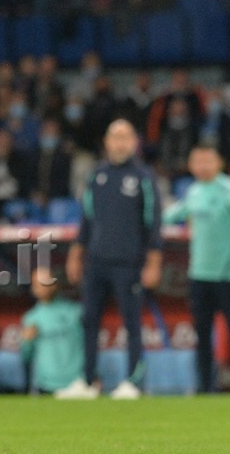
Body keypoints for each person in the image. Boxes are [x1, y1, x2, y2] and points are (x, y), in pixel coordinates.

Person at [65, 119, 163, 400]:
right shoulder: (97, 175)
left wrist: (153, 262)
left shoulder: (143, 177)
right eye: (115, 137)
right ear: (107, 142)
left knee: (131, 323)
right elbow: (87, 219)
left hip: (129, 263)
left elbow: (153, 223)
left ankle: (133, 381)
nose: (119, 143)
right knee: (88, 320)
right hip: (96, 261)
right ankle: (87, 381)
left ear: (134, 142)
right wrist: (76, 254)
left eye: (125, 137)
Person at [162, 146, 230, 393]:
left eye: (208, 161)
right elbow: (173, 215)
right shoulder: (194, 192)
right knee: (202, 333)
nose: (203, 166)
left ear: (219, 163)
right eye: (198, 161)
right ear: (191, 165)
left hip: (228, 275)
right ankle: (205, 386)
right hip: (200, 275)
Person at [19, 267, 85, 396]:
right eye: (38, 283)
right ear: (33, 288)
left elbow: (89, 345)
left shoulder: (75, 312)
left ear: (55, 284)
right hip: (45, 384)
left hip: (75, 384)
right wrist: (26, 342)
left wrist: (93, 374)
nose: (42, 286)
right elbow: (26, 356)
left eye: (46, 281)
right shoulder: (30, 318)